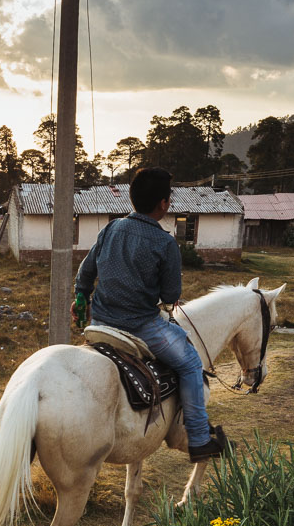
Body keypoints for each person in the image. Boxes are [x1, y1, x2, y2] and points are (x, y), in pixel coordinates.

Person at [73, 167, 224, 462]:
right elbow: (170, 296)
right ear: (164, 204)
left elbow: (87, 270)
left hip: (100, 323)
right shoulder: (165, 243)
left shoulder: (111, 229)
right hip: (141, 327)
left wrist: (81, 295)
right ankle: (198, 438)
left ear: (132, 200)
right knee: (192, 364)